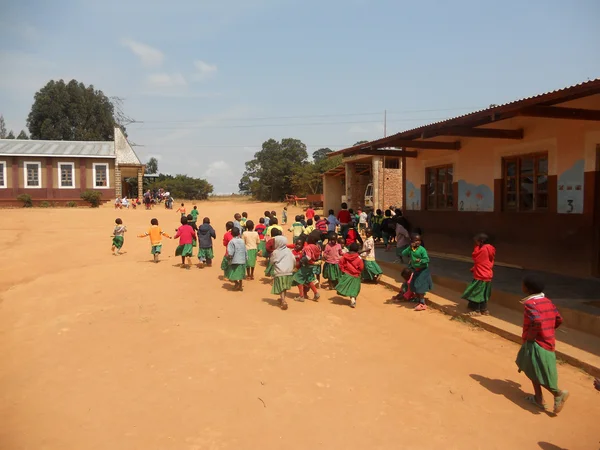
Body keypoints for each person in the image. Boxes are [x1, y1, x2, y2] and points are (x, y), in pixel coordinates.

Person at [515, 275, 569, 414]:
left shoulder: (530, 304)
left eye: (523, 284)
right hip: (547, 340)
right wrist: (548, 329)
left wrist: (531, 337)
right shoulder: (548, 301)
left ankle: (558, 393)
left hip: (536, 342)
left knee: (538, 370)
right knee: (532, 368)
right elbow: (559, 319)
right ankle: (538, 398)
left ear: (527, 288)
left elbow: (537, 321)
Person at [461, 233, 496, 316]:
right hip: (487, 275)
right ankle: (484, 310)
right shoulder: (490, 249)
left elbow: (476, 257)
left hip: (481, 275)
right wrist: (474, 268)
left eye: (477, 242)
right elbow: (484, 262)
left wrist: (476, 248)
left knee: (476, 293)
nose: (475, 243)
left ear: (481, 241)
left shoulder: (483, 249)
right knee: (483, 293)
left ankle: (476, 311)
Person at [401, 233, 432, 311]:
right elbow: (403, 253)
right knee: (414, 285)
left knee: (420, 287)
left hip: (423, 271)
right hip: (416, 270)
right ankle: (418, 301)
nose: (418, 242)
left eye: (419, 240)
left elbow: (427, 259)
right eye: (416, 240)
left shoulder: (422, 249)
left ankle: (422, 304)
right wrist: (409, 247)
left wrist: (420, 260)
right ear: (411, 241)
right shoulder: (411, 249)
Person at [292, 233, 321, 301]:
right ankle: (316, 293)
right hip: (311, 266)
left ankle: (301, 296)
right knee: (309, 280)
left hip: (305, 265)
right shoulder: (317, 246)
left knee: (298, 279)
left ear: (310, 239)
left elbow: (308, 257)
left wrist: (301, 261)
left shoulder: (307, 247)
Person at [269, 234, 295, 310]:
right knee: (284, 287)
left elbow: (272, 261)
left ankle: (283, 301)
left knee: (280, 287)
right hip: (289, 272)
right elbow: (293, 260)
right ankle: (283, 299)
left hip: (279, 272)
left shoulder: (275, 252)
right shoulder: (289, 251)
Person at [336, 242, 364, 308]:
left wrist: (343, 270)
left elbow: (340, 263)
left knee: (348, 287)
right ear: (357, 250)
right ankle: (353, 300)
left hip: (347, 274)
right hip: (356, 275)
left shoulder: (345, 256)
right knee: (354, 288)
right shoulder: (359, 258)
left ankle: (352, 299)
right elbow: (361, 267)